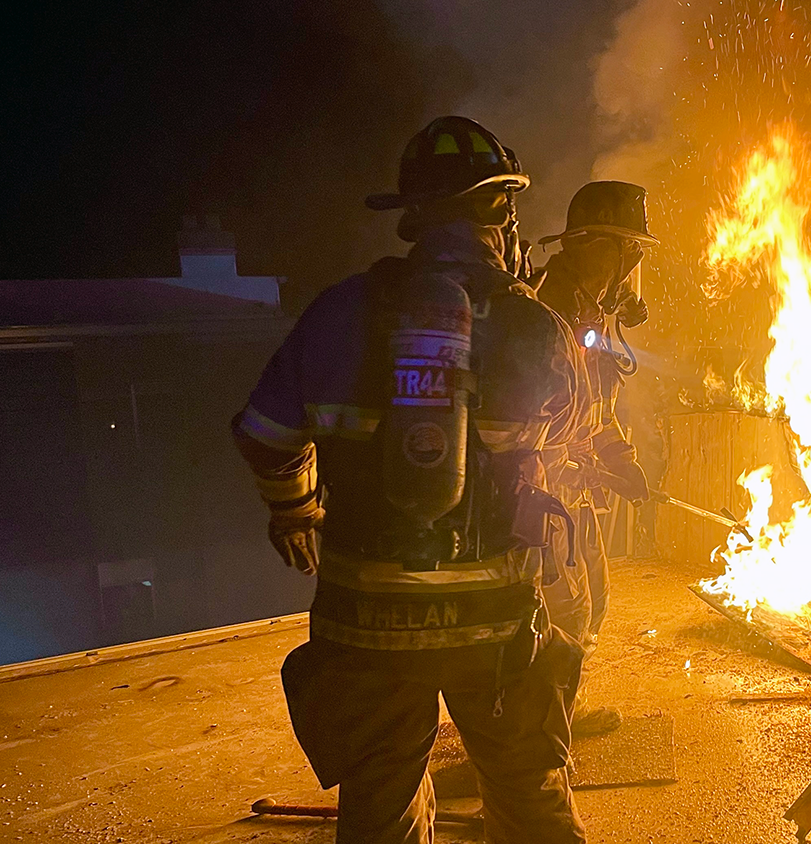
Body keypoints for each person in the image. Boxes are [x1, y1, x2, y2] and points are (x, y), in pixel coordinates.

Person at [231, 116, 586, 844]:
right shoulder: (534, 326)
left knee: (380, 800)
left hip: (364, 623)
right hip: (494, 626)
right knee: (528, 794)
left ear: (413, 217)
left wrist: (295, 511)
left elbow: (264, 437)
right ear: (499, 212)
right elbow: (572, 428)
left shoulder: (336, 312)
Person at [531, 180, 657, 736]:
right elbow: (524, 424)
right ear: (601, 247)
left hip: (577, 489)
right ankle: (534, 735)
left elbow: (595, 408)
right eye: (632, 253)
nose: (633, 269)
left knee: (592, 604)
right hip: (542, 494)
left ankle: (562, 711)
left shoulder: (591, 316)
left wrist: (620, 460)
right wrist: (572, 468)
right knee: (560, 614)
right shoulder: (542, 312)